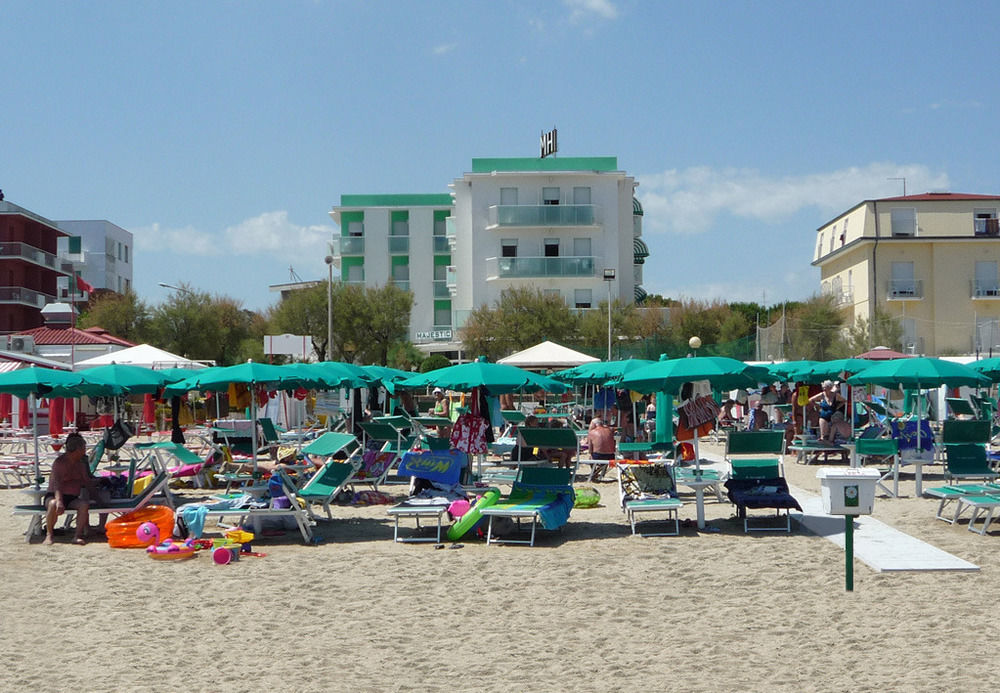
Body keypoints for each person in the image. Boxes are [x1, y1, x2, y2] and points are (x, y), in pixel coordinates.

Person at [44, 433, 96, 545]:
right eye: (83, 449)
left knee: (84, 505)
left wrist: (98, 498)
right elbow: (57, 484)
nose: (85, 452)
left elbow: (87, 482)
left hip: (72, 498)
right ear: (77, 450)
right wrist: (59, 501)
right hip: (54, 495)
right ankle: (49, 535)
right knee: (53, 504)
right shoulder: (60, 463)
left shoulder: (80, 464)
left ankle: (77, 536)